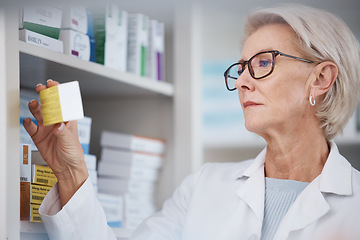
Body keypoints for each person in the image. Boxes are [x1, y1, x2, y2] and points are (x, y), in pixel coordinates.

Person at [23, 3, 360, 240]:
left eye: (263, 63)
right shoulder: (204, 187)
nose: (242, 82)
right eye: (241, 68)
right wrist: (71, 172)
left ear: (321, 79)